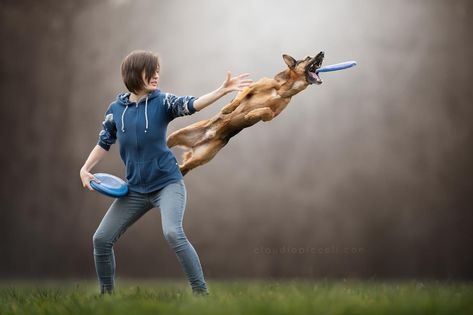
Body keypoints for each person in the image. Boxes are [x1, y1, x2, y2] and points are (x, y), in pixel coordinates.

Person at [79, 50, 252, 295]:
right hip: (135, 190)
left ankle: (201, 293)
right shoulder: (115, 110)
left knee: (172, 232)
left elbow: (191, 104)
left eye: (158, 71)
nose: (156, 75)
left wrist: (222, 91)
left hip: (167, 184)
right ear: (133, 74)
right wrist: (85, 169)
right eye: (150, 71)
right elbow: (104, 142)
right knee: (101, 239)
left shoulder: (163, 102)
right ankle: (106, 296)